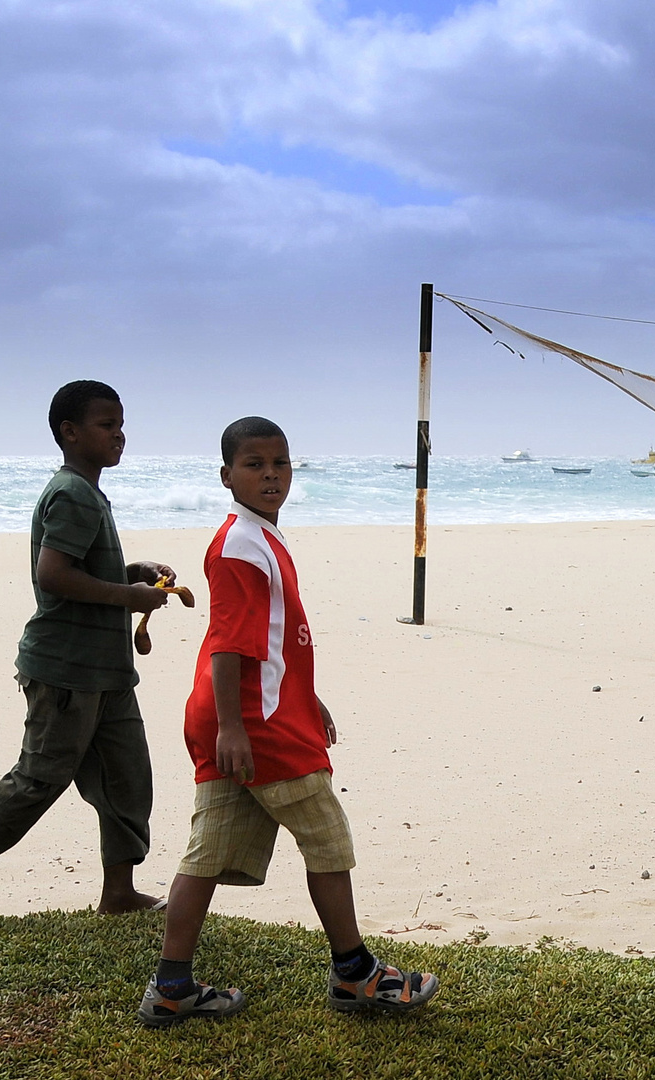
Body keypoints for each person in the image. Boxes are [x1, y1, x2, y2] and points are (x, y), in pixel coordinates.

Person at [136, 416, 438, 1027]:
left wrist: (310, 695)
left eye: (280, 463)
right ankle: (355, 975)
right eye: (254, 464)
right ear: (226, 476)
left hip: (248, 716)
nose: (270, 473)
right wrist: (234, 728)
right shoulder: (240, 545)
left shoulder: (259, 536)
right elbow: (228, 644)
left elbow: (275, 642)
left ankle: (171, 988)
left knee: (208, 852)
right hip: (255, 724)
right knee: (326, 835)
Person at [0, 380, 173, 925]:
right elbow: (53, 576)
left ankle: (120, 892)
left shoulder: (87, 491)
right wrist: (130, 596)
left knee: (127, 777)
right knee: (38, 779)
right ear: (69, 432)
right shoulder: (72, 493)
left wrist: (133, 573)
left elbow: (82, 571)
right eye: (107, 425)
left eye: (121, 423)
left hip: (106, 672)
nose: (119, 434)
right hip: (67, 670)